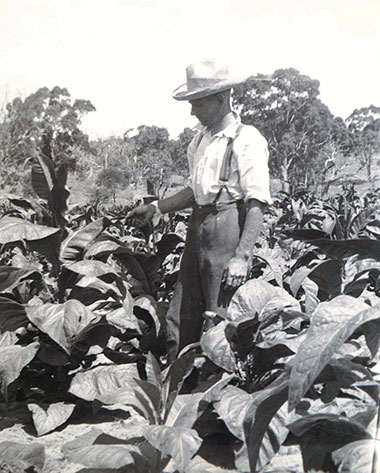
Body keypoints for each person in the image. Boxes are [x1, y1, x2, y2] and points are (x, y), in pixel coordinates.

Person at [128, 58, 272, 357]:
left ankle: (214, 386)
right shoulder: (201, 139)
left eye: (198, 103)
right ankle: (176, 379)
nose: (193, 111)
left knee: (219, 314)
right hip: (199, 228)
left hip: (228, 227)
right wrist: (157, 208)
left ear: (220, 100)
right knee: (182, 310)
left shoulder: (247, 140)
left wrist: (241, 257)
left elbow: (256, 203)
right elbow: (196, 192)